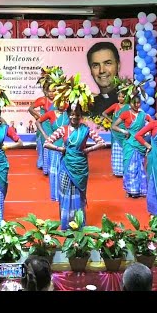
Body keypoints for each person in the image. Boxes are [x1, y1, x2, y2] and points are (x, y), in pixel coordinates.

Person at [44, 96, 106, 229]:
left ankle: (78, 222)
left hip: (80, 167)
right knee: (65, 193)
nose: (74, 117)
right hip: (66, 166)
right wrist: (59, 148)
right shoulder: (63, 129)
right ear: (68, 115)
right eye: (72, 115)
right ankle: (66, 223)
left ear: (81, 116)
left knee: (78, 194)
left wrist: (87, 150)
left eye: (77, 115)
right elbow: (46, 143)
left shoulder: (86, 129)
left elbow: (102, 142)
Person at [111, 95, 152, 198]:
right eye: (134, 103)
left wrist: (147, 132)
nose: (136, 105)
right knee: (129, 166)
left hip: (140, 143)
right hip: (129, 143)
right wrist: (123, 131)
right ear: (130, 104)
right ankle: (130, 189)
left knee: (140, 166)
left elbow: (153, 124)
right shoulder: (125, 114)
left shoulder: (143, 115)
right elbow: (114, 126)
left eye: (138, 103)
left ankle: (141, 189)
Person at [38, 103, 70, 202]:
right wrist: (45, 135)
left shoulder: (68, 114)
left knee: (65, 171)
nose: (62, 104)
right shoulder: (51, 113)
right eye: (60, 101)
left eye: (63, 102)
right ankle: (55, 195)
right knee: (55, 171)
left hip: (66, 145)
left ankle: (65, 194)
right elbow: (38, 122)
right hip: (55, 145)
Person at [102, 88, 130, 177]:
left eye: (123, 97)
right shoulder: (115, 105)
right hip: (115, 131)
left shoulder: (128, 107)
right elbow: (104, 113)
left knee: (125, 149)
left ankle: (125, 169)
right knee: (116, 150)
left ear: (126, 97)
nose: (121, 98)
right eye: (119, 97)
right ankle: (117, 171)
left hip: (124, 131)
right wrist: (111, 121)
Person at [87, 41, 121, 116]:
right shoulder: (88, 105)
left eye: (107, 63)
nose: (101, 70)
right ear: (91, 70)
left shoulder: (128, 99)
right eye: (96, 65)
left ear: (118, 65)